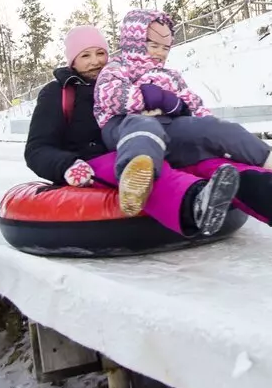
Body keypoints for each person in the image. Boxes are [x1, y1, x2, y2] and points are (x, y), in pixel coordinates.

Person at [93, 9, 272, 229]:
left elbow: (194, 105)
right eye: (153, 45)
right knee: (143, 127)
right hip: (124, 125)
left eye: (165, 48)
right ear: (133, 43)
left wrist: (195, 118)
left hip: (168, 126)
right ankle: (135, 180)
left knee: (214, 128)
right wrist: (145, 96)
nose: (159, 53)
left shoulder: (170, 75)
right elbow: (108, 96)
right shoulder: (118, 67)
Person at [25, 25, 240, 238]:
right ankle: (195, 202)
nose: (95, 61)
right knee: (144, 171)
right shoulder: (58, 93)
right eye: (85, 55)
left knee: (188, 158)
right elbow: (37, 149)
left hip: (139, 143)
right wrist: (67, 165)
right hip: (92, 162)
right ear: (72, 61)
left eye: (101, 53)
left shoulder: (125, 80)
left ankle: (254, 189)